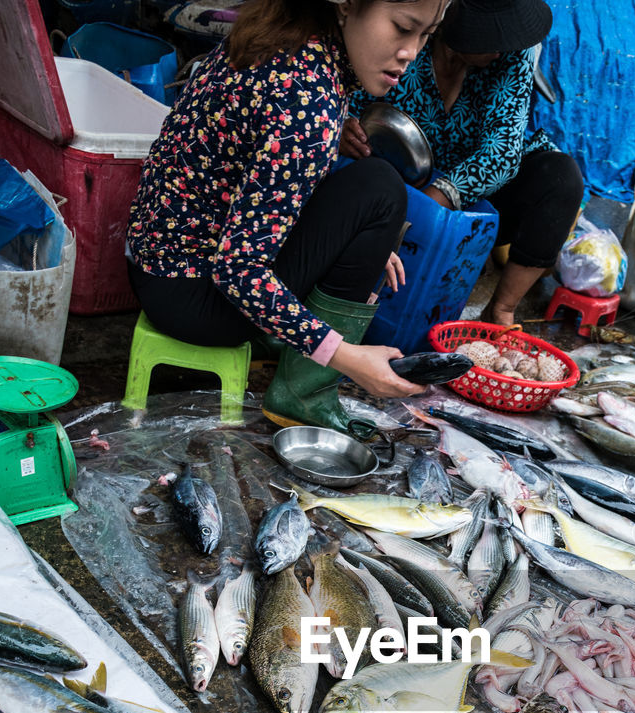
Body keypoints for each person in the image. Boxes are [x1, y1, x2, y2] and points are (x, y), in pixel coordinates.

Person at [127, 0, 450, 434]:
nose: (410, 50)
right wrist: (351, 360)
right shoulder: (307, 98)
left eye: (425, 34)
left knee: (371, 192)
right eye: (402, 27)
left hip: (154, 261)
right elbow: (237, 271)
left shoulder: (285, 36)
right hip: (194, 297)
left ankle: (293, 345)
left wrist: (351, 238)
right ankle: (303, 393)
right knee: (381, 189)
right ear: (346, 6)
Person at [340, 0, 584, 327]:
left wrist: (433, 204)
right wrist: (342, 126)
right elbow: (348, 95)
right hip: (391, 175)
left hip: (474, 199)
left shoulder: (514, 50)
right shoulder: (410, 36)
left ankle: (500, 312)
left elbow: (502, 152)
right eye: (492, 39)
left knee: (561, 178)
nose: (502, 49)